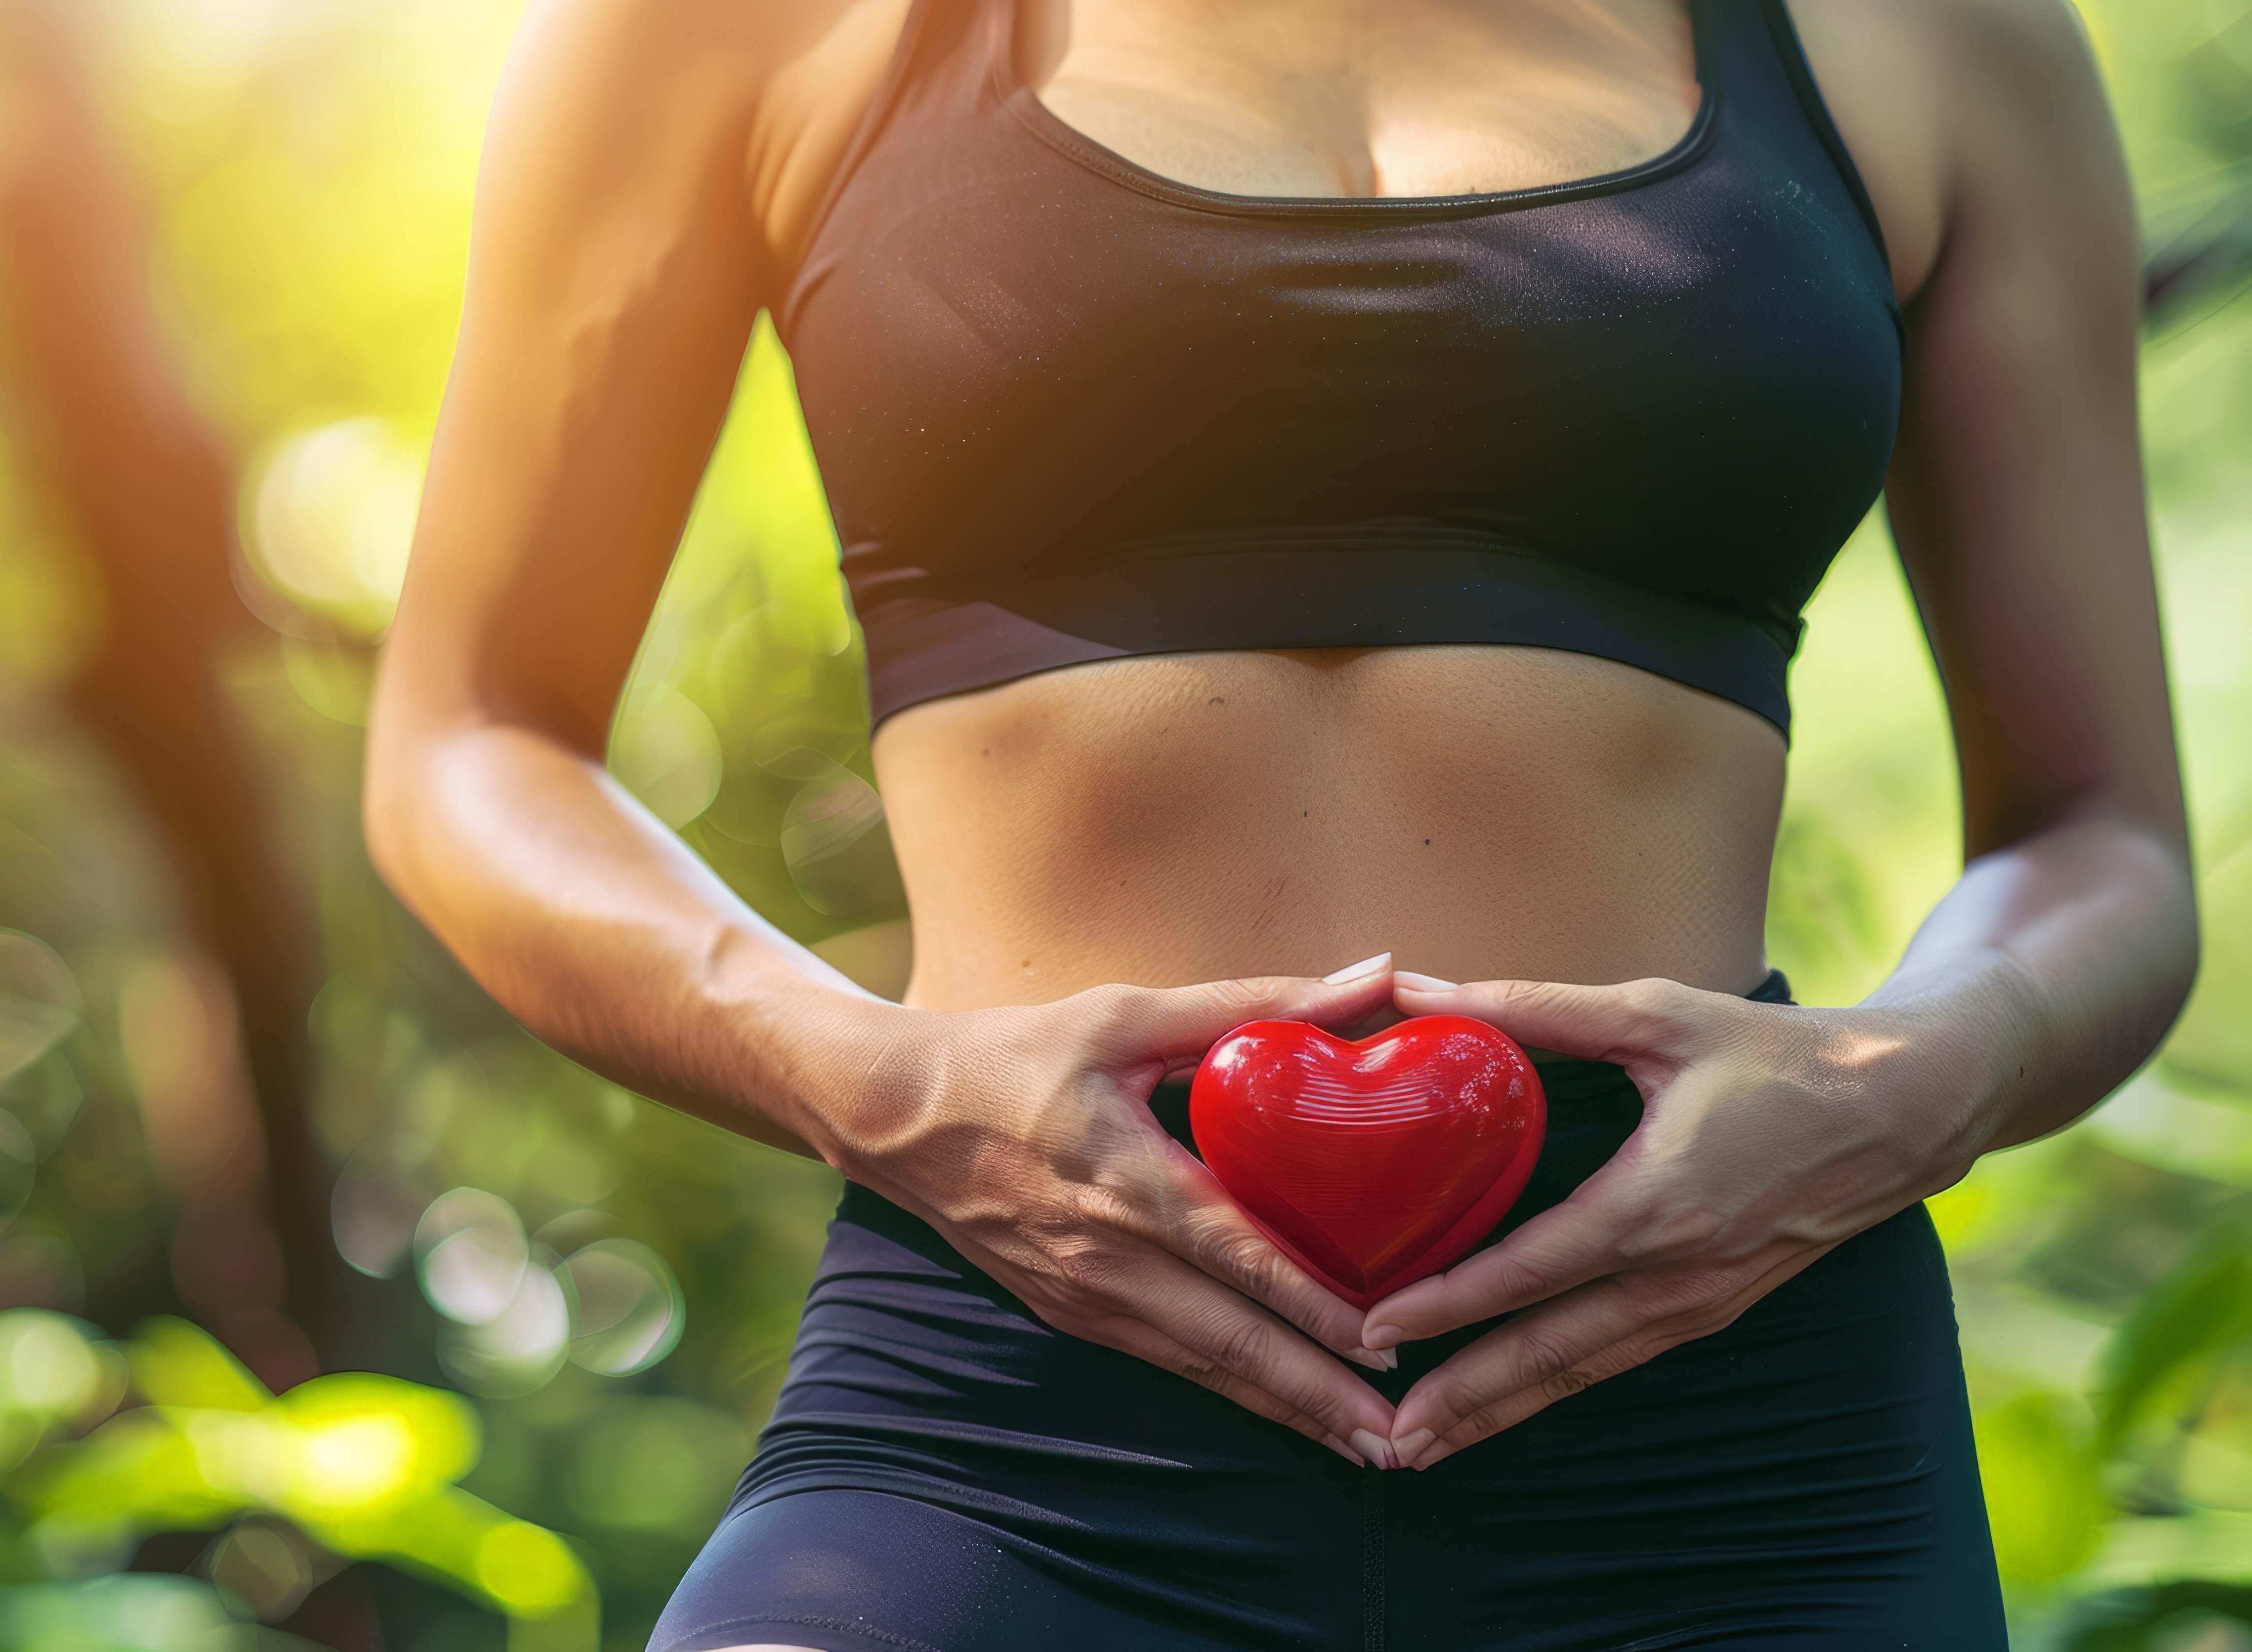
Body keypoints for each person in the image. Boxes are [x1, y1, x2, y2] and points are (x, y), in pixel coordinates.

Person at [363, 0, 2196, 1642]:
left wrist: (1909, 1084)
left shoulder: (1937, 42)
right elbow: (472, 744)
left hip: (1730, 1406)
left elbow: (2099, 830)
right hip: (1019, 1388)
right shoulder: (735, 30)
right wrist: (879, 1082)